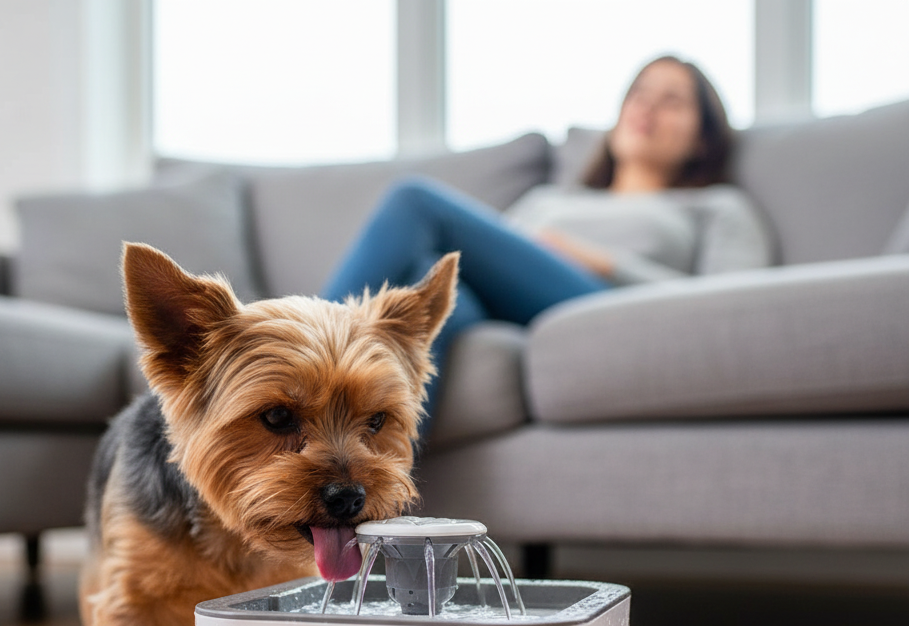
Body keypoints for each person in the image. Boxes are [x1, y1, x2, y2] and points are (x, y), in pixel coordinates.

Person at [321, 55, 773, 428]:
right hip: (507, 308)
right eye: (639, 94)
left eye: (672, 100)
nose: (647, 107)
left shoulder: (717, 206)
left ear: (702, 138)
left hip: (600, 305)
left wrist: (599, 261)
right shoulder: (549, 199)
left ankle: (305, 344)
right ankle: (379, 515)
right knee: (436, 291)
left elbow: (727, 305)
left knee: (413, 201)